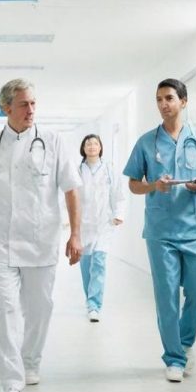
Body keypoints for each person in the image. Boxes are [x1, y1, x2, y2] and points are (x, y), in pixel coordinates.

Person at [0, 78, 83, 392]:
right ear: (6, 108)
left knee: (40, 308)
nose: (31, 110)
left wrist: (75, 234)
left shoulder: (54, 142)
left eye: (33, 104)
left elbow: (71, 188)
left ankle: (30, 361)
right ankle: (11, 382)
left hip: (40, 238)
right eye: (24, 104)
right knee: (5, 308)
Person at [123, 78, 196, 383]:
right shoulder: (146, 142)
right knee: (167, 295)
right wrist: (154, 185)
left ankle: (184, 341)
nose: (163, 104)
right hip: (161, 230)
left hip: (195, 227)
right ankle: (174, 359)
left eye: (169, 98)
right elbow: (132, 184)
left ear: (183, 101)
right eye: (158, 99)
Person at [78, 134, 127, 323]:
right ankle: (90, 298)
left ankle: (94, 305)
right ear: (83, 148)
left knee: (98, 262)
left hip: (103, 224)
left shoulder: (109, 169)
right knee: (86, 265)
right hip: (84, 225)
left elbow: (118, 194)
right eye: (88, 143)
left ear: (100, 148)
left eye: (95, 143)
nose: (91, 146)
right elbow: (70, 196)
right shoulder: (77, 170)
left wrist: (118, 214)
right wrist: (68, 218)